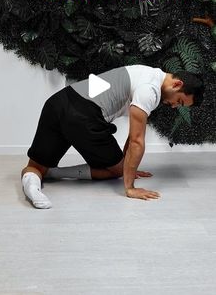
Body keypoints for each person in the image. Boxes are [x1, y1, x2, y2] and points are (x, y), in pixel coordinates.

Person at [21, 64, 204, 209]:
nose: (173, 106)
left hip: (57, 102)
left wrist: (128, 166)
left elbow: (133, 135)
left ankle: (33, 186)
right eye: (179, 101)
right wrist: (129, 186)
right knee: (116, 170)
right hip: (84, 115)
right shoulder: (151, 90)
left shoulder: (147, 73)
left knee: (35, 166)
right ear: (177, 84)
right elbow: (136, 141)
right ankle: (54, 173)